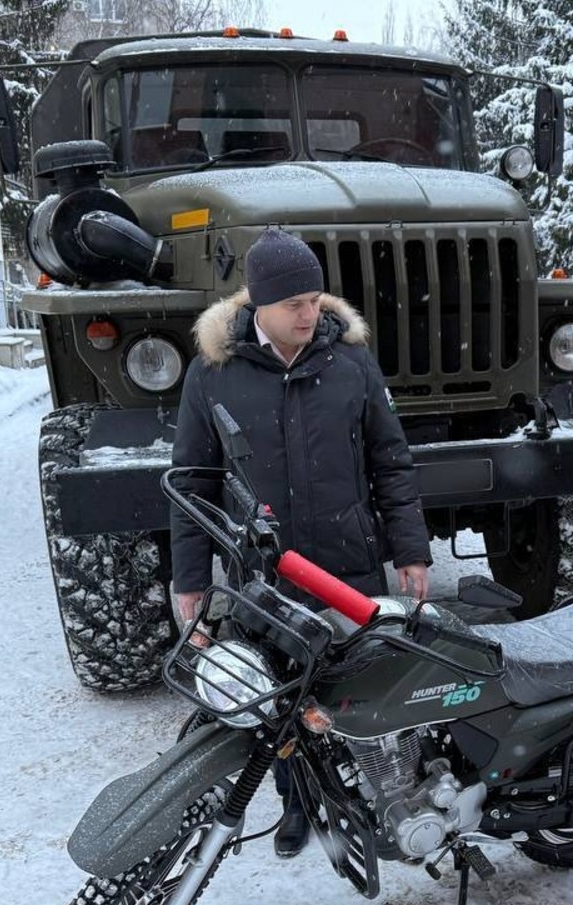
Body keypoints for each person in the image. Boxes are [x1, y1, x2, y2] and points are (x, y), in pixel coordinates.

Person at [171, 229, 432, 856]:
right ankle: (297, 803)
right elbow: (193, 482)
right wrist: (190, 577)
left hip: (349, 560)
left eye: (315, 300)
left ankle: (376, 794)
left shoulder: (351, 363)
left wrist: (411, 549)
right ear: (259, 304)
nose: (310, 315)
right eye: (295, 305)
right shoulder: (215, 374)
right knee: (281, 699)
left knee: (364, 684)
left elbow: (389, 461)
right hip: (265, 575)